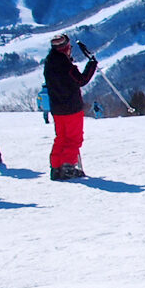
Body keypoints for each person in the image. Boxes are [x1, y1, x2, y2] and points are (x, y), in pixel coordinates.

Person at [43, 33, 97, 180]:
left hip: (57, 108)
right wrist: (92, 64)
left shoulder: (49, 62)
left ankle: (56, 167)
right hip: (71, 107)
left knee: (61, 137)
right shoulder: (65, 64)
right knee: (73, 138)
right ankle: (68, 167)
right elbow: (81, 80)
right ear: (66, 47)